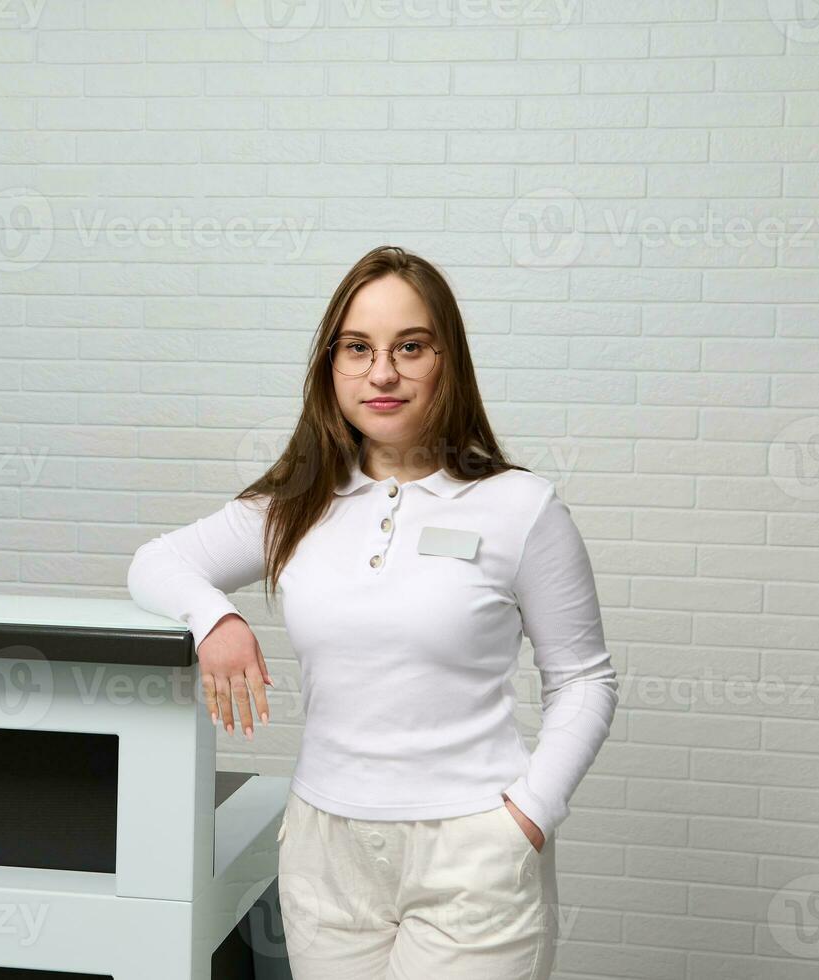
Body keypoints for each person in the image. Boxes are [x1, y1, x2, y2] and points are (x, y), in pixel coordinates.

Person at [126, 245, 619, 979]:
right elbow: (155, 563)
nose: (381, 372)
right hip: (325, 852)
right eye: (357, 348)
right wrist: (216, 620)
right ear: (331, 366)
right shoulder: (295, 503)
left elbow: (583, 678)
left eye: (409, 347)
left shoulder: (520, 508)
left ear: (447, 361)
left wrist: (527, 817)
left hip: (472, 851)